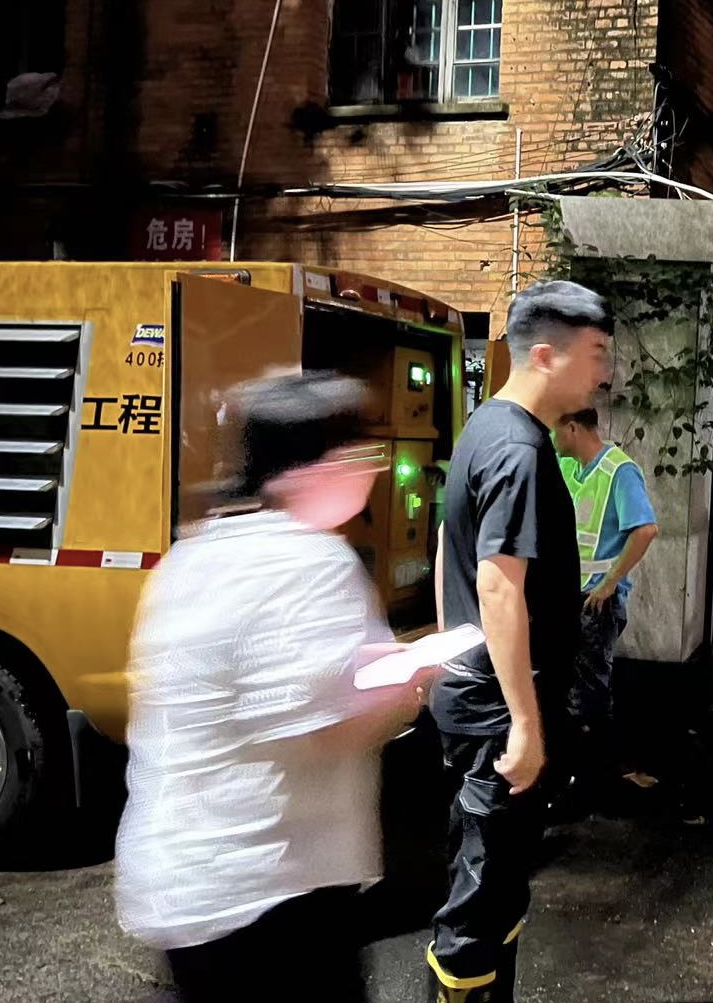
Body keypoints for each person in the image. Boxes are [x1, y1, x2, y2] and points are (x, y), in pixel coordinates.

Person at [116, 372, 430, 1003]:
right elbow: (321, 730)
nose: (373, 468)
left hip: (181, 881)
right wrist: (409, 686)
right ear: (309, 466)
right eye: (360, 451)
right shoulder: (307, 562)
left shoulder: (194, 556)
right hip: (272, 896)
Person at [428, 280, 612, 1003]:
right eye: (594, 354)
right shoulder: (519, 450)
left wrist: (448, 652)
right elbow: (499, 587)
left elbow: (448, 545)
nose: (602, 373)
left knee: (498, 892)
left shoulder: (486, 427)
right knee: (477, 908)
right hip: (498, 721)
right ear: (544, 355)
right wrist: (526, 724)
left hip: (480, 700)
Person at [551, 407, 659, 803]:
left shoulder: (618, 470)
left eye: (555, 430)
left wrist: (610, 583)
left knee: (589, 692)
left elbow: (645, 530)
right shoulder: (567, 466)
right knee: (569, 688)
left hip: (596, 602)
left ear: (572, 427)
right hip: (567, 596)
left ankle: (594, 780)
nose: (552, 438)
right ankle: (580, 774)